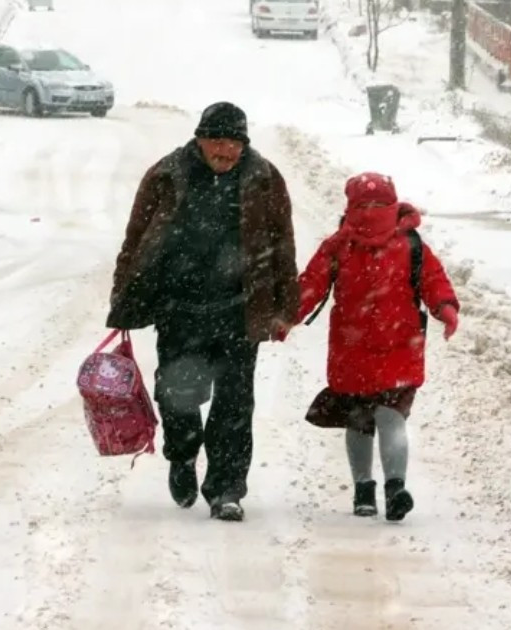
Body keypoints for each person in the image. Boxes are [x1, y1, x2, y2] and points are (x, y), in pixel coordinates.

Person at [107, 102, 299, 522]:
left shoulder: (263, 178)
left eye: (234, 143)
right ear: (200, 138)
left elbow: (282, 241)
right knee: (179, 395)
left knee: (234, 405)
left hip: (238, 310)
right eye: (218, 141)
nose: (226, 151)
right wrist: (125, 297)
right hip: (180, 308)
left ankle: (226, 489)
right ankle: (182, 455)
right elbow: (136, 239)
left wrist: (285, 306)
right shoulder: (167, 174)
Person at [284, 172, 459, 522]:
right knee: (370, 421)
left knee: (379, 420)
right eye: (364, 205)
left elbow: (432, 281)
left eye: (379, 204)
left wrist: (445, 307)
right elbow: (312, 284)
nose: (371, 212)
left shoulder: (404, 244)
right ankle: (367, 489)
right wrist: (289, 316)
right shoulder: (344, 246)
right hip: (368, 349)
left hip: (386, 348)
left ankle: (390, 489)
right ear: (351, 208)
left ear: (393, 205)